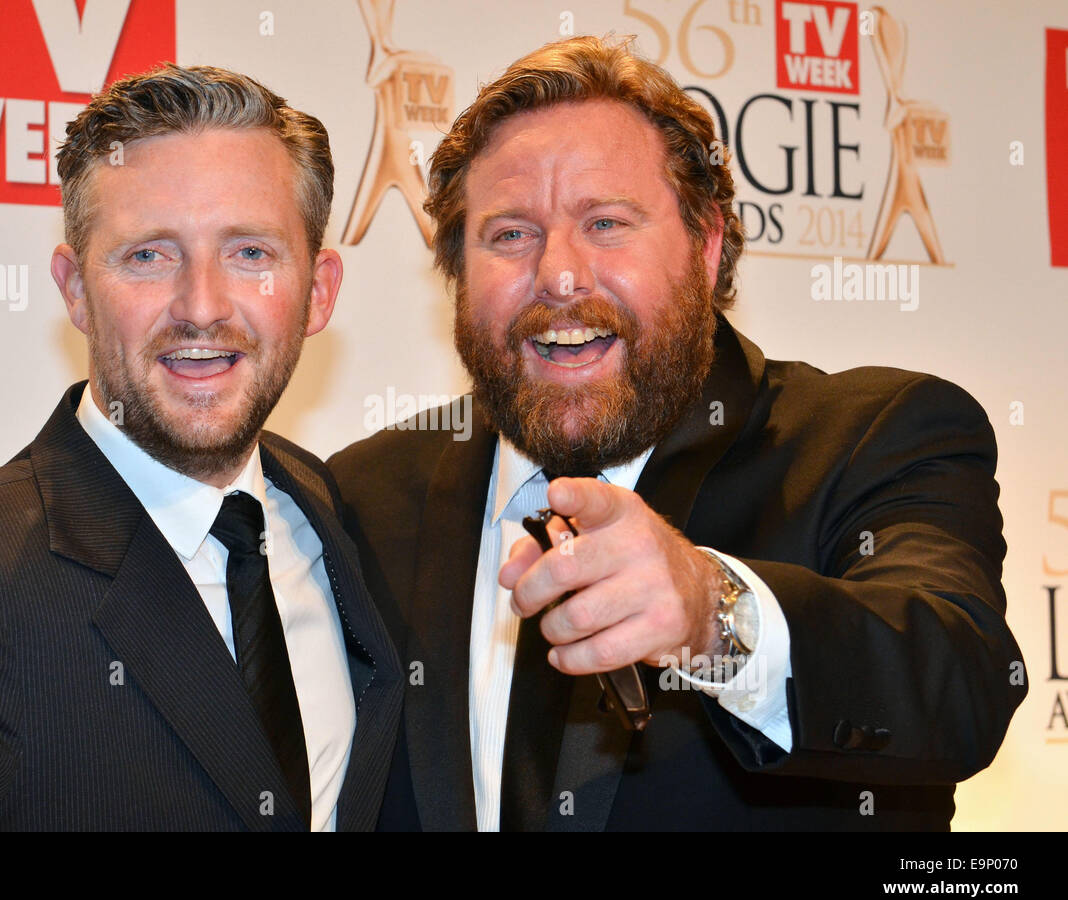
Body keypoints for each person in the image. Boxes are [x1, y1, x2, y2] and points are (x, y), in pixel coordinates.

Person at [328, 36, 1026, 831]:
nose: (559, 274)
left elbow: (960, 681)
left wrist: (710, 611)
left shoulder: (875, 437)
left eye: (607, 223)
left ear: (706, 246)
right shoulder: (360, 496)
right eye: (509, 234)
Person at [0, 64, 401, 831]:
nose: (201, 306)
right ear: (73, 290)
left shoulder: (331, 510)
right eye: (148, 256)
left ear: (319, 292)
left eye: (251, 254)